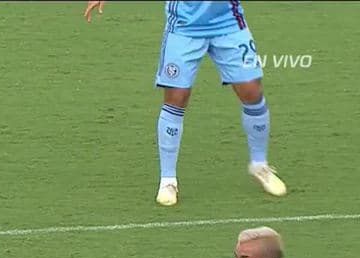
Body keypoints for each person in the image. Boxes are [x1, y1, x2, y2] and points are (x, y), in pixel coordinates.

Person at [85, 1, 287, 206]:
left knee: (252, 91)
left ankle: (259, 165)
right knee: (176, 97)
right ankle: (168, 180)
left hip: (229, 23)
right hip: (184, 27)